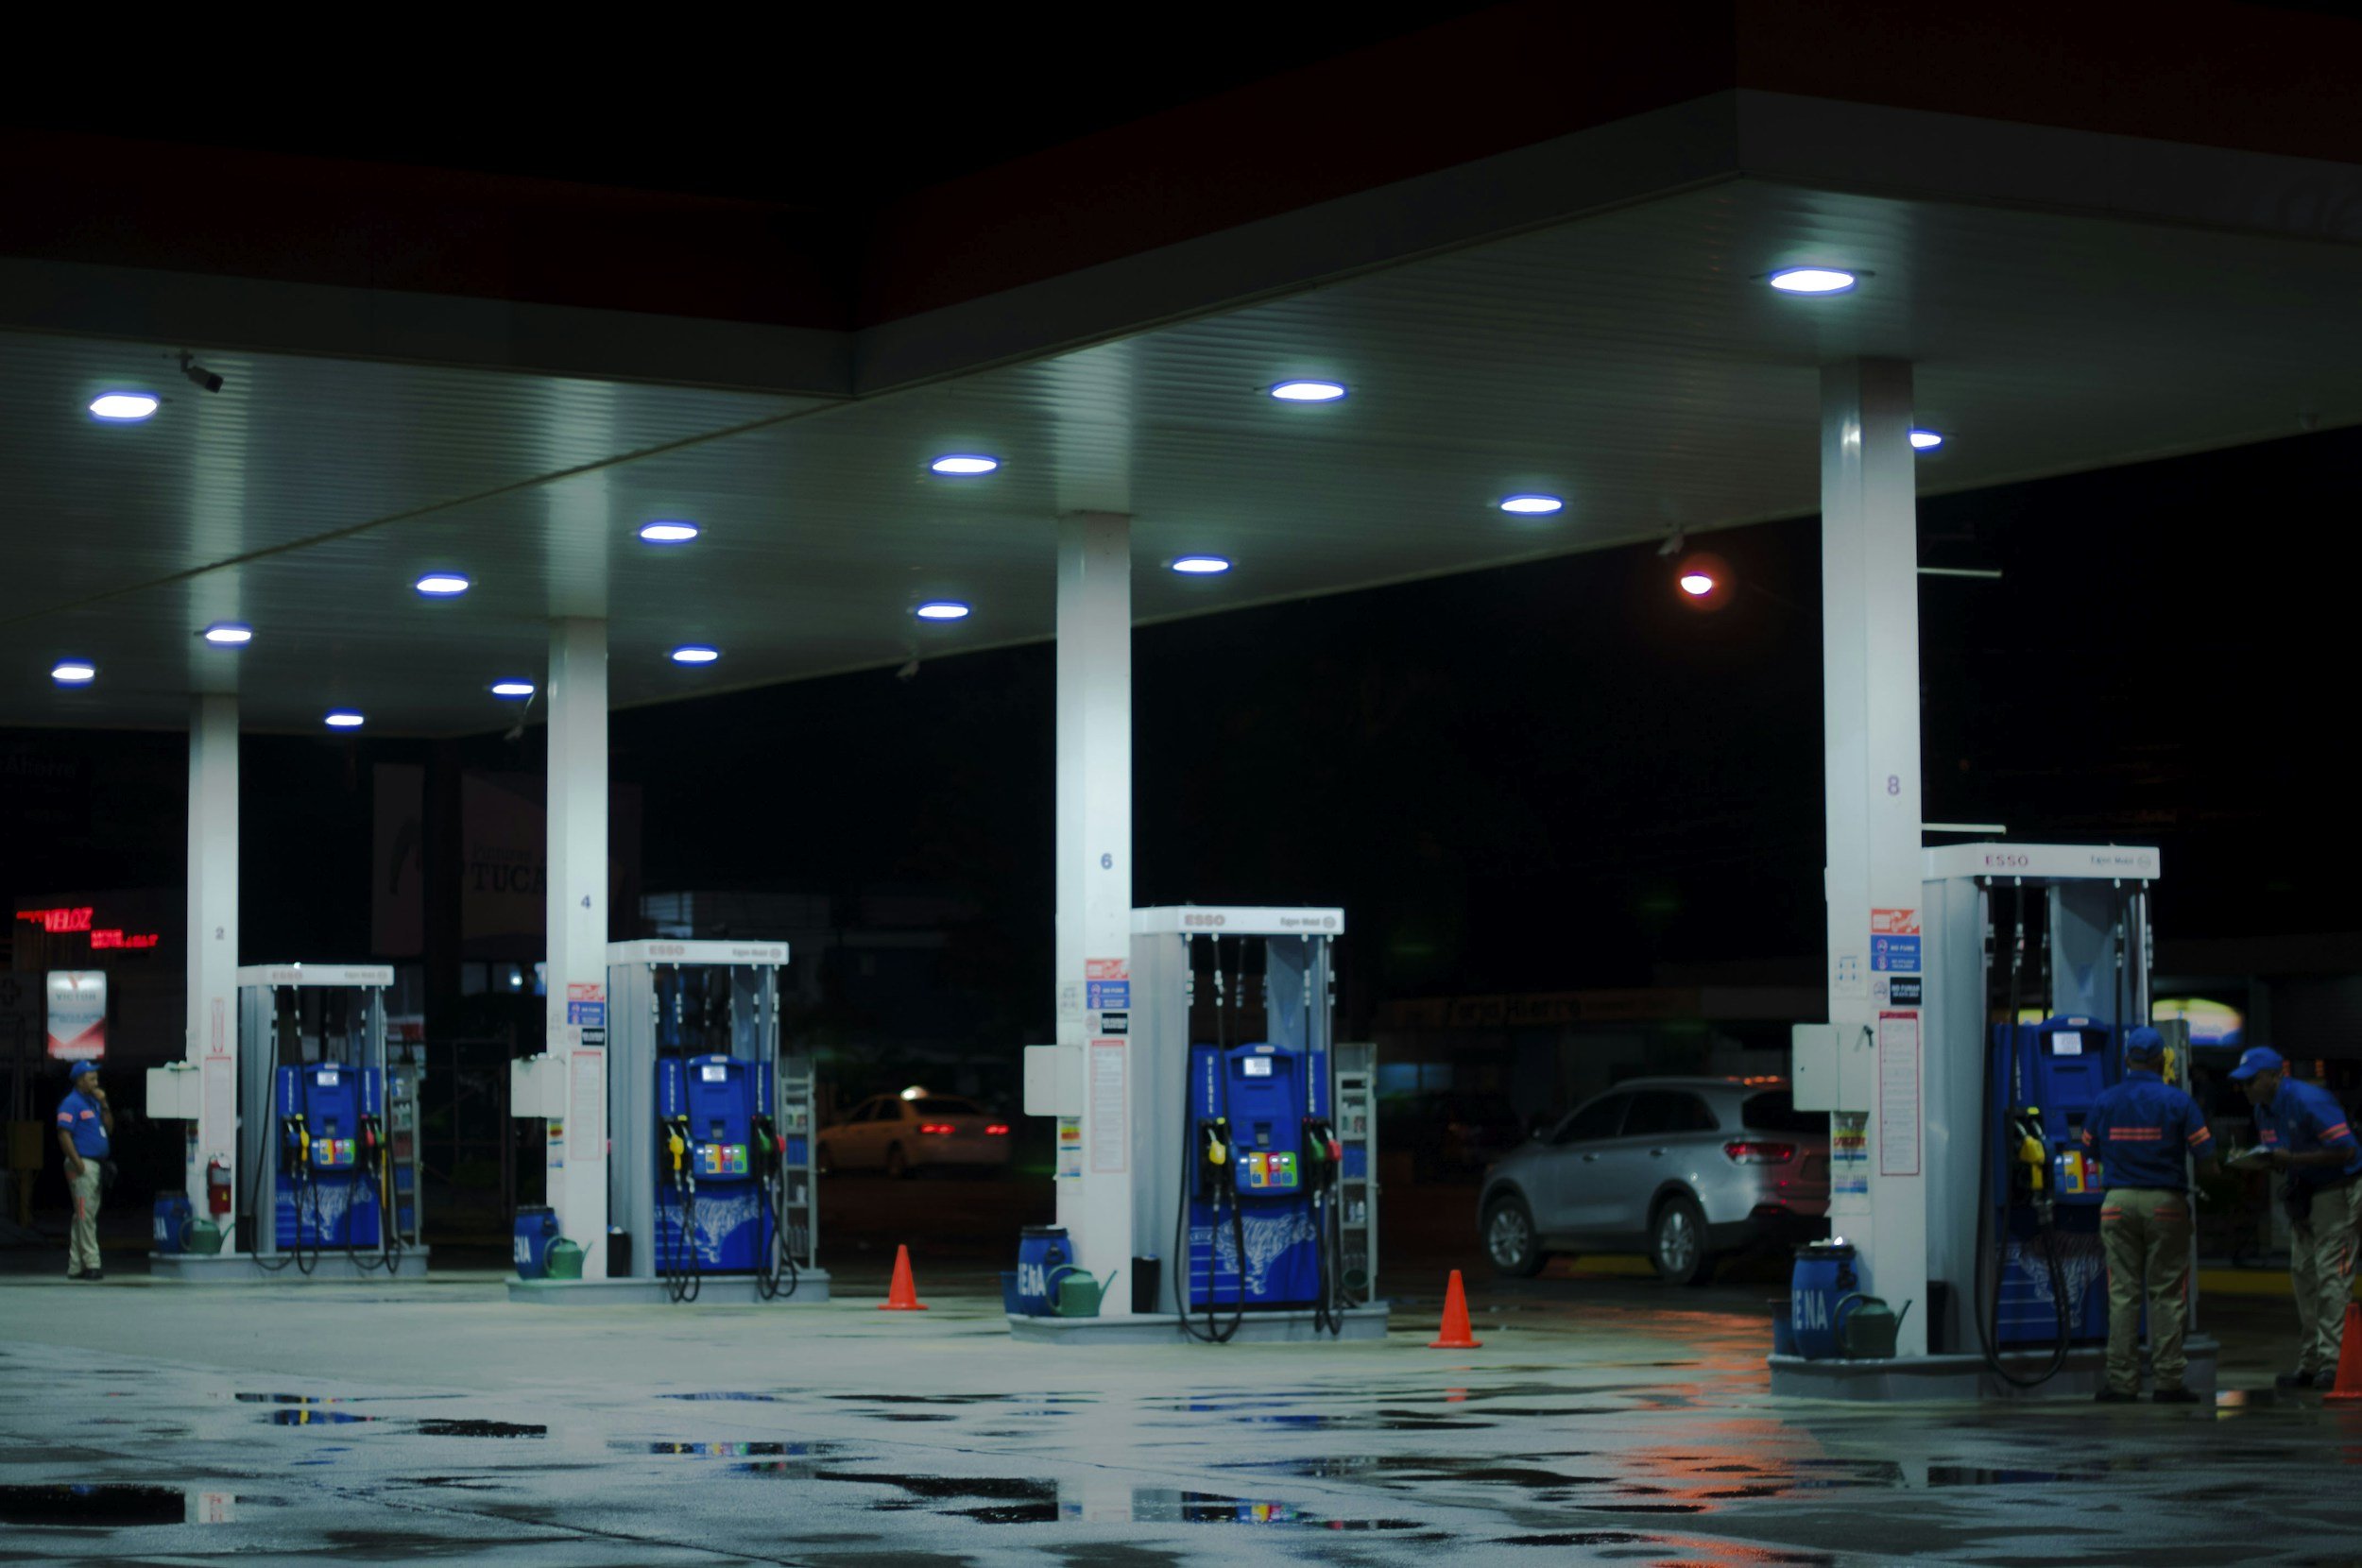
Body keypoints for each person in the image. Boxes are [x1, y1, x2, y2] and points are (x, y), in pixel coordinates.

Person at [2082, 1027, 2219, 1403]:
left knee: (2122, 1294)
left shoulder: (2105, 1100)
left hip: (2118, 1202)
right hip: (2165, 1204)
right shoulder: (2179, 1102)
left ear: (2127, 1059)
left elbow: (2089, 1150)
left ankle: (2122, 1383)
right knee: (2167, 1293)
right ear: (2161, 1061)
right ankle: (2168, 1382)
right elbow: (2206, 1156)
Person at [2230, 1046, 2362, 1390]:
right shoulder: (2263, 1110)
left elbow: (2346, 1149)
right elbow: (2286, 1157)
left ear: (2276, 1076)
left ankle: (2332, 1365)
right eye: (2242, 1084)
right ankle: (2312, 1363)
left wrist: (2293, 1159)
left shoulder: (2308, 1100)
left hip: (2339, 1190)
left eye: (2251, 1081)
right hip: (2306, 1194)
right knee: (2304, 1275)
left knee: (2331, 1276)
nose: (2245, 1089)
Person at [54, 1061, 112, 1281]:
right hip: (83, 1165)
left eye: (96, 1078)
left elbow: (109, 1127)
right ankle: (92, 1262)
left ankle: (76, 1265)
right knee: (85, 1214)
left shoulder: (93, 1103)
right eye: (91, 1078)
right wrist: (78, 1163)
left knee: (83, 1214)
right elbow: (63, 1134)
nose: (96, 1082)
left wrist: (104, 1103)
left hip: (95, 1165)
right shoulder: (71, 1103)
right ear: (79, 1080)